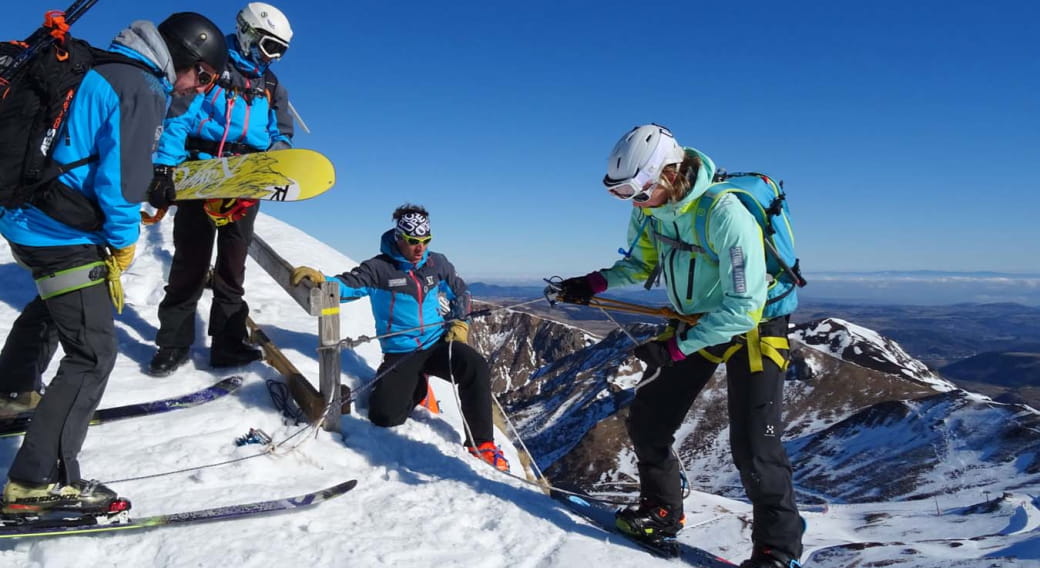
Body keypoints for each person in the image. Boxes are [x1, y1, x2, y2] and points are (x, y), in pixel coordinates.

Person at [0, 13, 227, 515]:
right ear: (188, 59)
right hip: (61, 230)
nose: (197, 87)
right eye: (204, 76)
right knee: (94, 352)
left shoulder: (102, 66)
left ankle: (12, 392)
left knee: (62, 302)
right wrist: (122, 246)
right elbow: (121, 188)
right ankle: (36, 483)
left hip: (24, 216)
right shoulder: (142, 86)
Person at [555, 125, 802, 568]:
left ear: (666, 174)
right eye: (620, 193)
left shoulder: (724, 213)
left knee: (754, 446)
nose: (631, 201)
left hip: (755, 326)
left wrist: (675, 349)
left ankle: (777, 553)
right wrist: (593, 282)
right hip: (698, 319)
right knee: (650, 419)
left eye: (634, 190)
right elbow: (640, 261)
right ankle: (661, 512)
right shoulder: (650, 210)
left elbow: (745, 307)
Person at [290, 204, 510, 471]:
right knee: (384, 417)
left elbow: (460, 293)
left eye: (425, 241)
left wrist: (459, 324)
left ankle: (482, 444)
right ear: (399, 238)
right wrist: (321, 280)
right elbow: (347, 285)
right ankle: (418, 387)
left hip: (437, 342)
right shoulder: (379, 269)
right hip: (401, 351)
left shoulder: (437, 263)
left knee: (474, 365)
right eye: (413, 241)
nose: (420, 248)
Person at [146, 2, 295, 377]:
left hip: (245, 177)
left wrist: (276, 157)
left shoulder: (271, 86)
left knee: (233, 265)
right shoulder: (210, 67)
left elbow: (281, 132)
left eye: (279, 51)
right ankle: (173, 344)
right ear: (247, 33)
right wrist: (164, 167)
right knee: (190, 262)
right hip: (202, 171)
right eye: (268, 46)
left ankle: (227, 343)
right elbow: (177, 118)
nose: (272, 58)